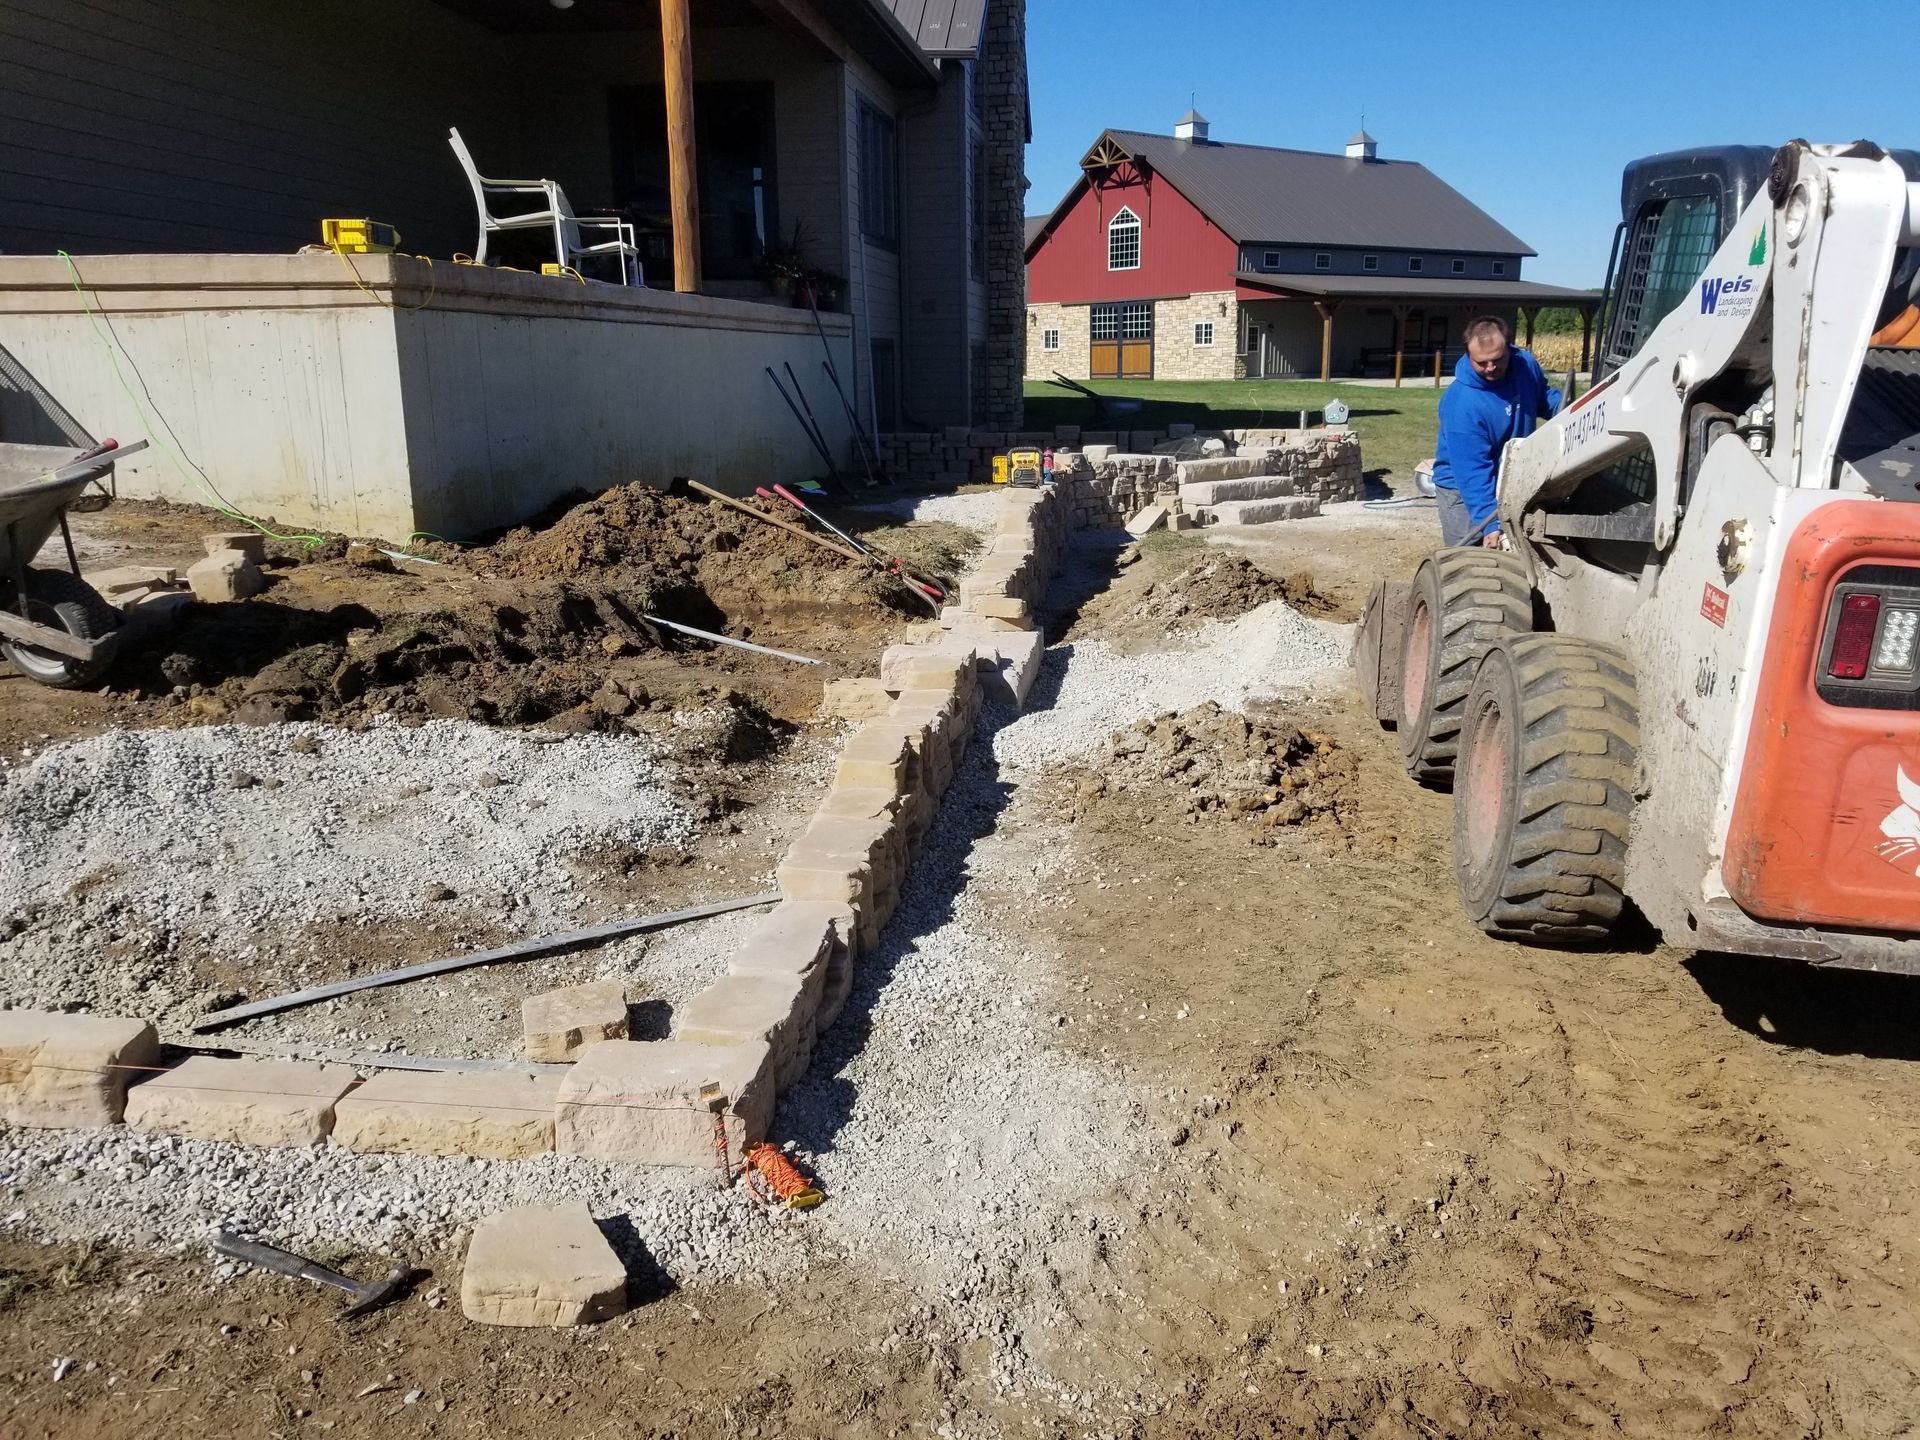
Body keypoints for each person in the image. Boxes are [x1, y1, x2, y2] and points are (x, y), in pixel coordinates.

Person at [1429, 316, 1562, 547]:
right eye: (1481, 363)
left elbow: (1542, 398)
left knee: (1517, 550)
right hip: (1462, 489)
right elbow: (1472, 470)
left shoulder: (1525, 365)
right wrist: (1489, 523)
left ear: (1509, 348)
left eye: (1497, 359)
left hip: (1511, 477)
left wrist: (1565, 406)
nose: (1490, 368)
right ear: (1468, 355)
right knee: (1467, 561)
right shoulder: (1462, 404)